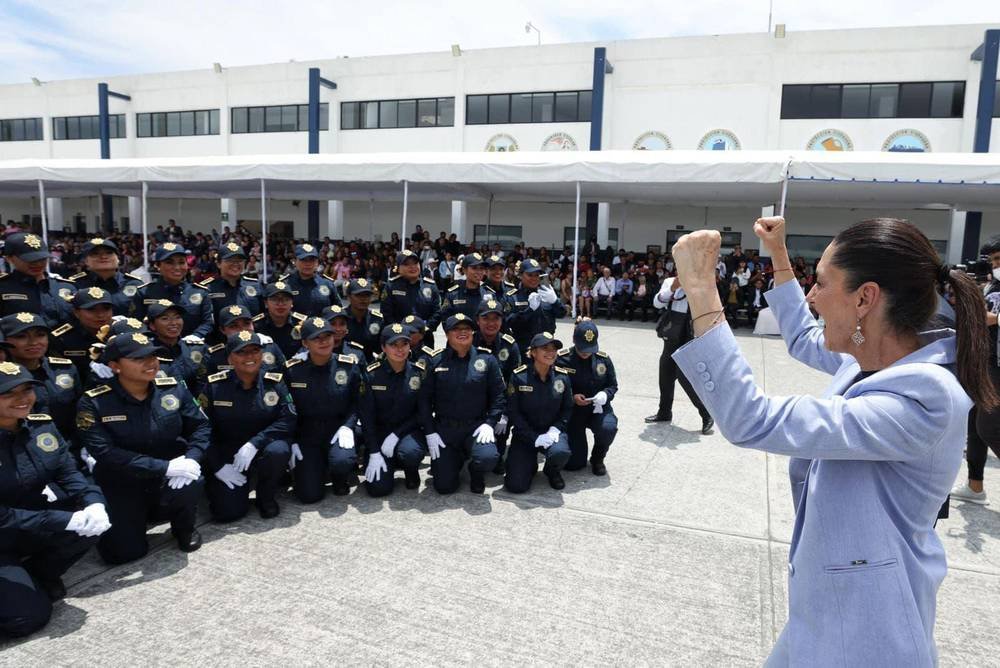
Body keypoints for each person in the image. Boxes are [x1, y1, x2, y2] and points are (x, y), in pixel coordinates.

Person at [669, 216, 995, 666]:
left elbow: (750, 418)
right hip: (827, 611)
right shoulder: (875, 357)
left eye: (821, 283)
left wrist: (702, 292)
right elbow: (804, 337)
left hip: (870, 633)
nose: (811, 296)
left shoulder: (924, 396)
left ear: (865, 298)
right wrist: (778, 254)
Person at [76, 331, 211, 563]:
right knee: (124, 554)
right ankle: (137, 517)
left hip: (169, 471)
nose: (150, 363)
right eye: (139, 359)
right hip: (122, 480)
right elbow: (105, 453)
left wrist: (192, 458)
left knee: (191, 478)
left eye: (153, 356)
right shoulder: (93, 401)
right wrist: (163, 467)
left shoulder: (173, 388)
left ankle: (184, 526)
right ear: (115, 366)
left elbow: (200, 426)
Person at [0, 362, 110, 637]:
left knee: (92, 524)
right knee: (27, 619)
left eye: (27, 390)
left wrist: (94, 502)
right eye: (8, 393)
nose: (23, 399)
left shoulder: (41, 426)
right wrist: (63, 519)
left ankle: (39, 574)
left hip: (32, 521)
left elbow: (69, 472)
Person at [200, 332, 295, 521]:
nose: (250, 357)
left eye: (255, 351)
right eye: (242, 353)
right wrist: (217, 465)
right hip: (228, 452)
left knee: (279, 451)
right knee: (227, 513)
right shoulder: (215, 386)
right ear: (230, 358)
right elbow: (201, 428)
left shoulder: (274, 382)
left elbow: (288, 418)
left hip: (262, 446)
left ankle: (265, 496)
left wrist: (255, 443)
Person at [418, 313, 504, 494]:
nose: (462, 332)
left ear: (473, 332)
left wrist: (490, 423)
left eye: (466, 329)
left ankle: (476, 470)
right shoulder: (434, 361)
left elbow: (498, 396)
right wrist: (430, 432)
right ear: (447, 334)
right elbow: (424, 401)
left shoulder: (487, 360)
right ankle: (455, 459)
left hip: (476, 426)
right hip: (445, 430)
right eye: (456, 329)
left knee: (488, 457)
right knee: (444, 487)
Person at [284, 316, 365, 501]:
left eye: (327, 336)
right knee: (308, 495)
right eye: (316, 338)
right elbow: (286, 409)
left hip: (337, 429)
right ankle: (315, 469)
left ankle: (339, 476)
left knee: (342, 461)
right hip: (307, 434)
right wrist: (292, 439)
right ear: (305, 343)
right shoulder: (292, 370)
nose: (324, 341)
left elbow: (357, 401)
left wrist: (348, 426)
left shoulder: (348, 366)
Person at [951, 234, 1000, 505]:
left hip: (998, 366)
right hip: (984, 360)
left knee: (989, 427)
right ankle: (975, 486)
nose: (995, 265)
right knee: (974, 425)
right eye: (993, 260)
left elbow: (989, 318)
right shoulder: (992, 286)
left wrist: (995, 318)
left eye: (999, 259)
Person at [0, 312, 82, 460]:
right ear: (5, 340)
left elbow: (79, 413)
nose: (33, 342)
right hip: (17, 455)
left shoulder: (65, 369)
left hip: (70, 451)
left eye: (40, 335)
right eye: (21, 336)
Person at [359, 324, 427, 495]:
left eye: (404, 344)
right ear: (383, 347)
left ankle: (410, 469)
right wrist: (373, 451)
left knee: (410, 453)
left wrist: (397, 434)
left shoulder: (418, 373)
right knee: (377, 490)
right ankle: (385, 461)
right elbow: (366, 416)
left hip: (408, 431)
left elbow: (422, 412)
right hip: (379, 433)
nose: (400, 349)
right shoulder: (371, 374)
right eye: (393, 345)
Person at [504, 332, 573, 492]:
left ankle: (552, 471)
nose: (551, 353)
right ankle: (529, 464)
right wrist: (533, 437)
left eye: (554, 349)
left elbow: (567, 408)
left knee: (561, 452)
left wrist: (556, 429)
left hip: (551, 432)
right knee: (516, 486)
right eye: (545, 348)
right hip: (525, 434)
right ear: (533, 352)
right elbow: (513, 412)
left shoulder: (562, 378)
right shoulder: (519, 377)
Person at [645, 276, 714, 435]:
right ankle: (664, 412)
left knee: (684, 377)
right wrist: (673, 288)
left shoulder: (701, 281)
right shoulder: (671, 281)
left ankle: (706, 414)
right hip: (672, 332)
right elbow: (657, 302)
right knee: (665, 374)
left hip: (691, 333)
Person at [558, 320, 619, 475]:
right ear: (574, 340)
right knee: (574, 465)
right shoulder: (562, 359)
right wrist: (571, 397)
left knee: (608, 428)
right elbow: (554, 388)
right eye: (582, 348)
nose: (585, 352)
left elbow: (612, 385)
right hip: (574, 413)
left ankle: (598, 458)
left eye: (589, 348)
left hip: (597, 409)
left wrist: (605, 395)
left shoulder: (603, 359)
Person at [474, 298, 520, 474]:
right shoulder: (467, 341)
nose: (491, 323)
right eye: (486, 318)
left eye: (496, 318)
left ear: (502, 321)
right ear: (478, 320)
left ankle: (498, 453)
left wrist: (506, 414)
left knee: (500, 430)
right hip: (473, 402)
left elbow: (514, 384)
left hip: (500, 403)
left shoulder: (510, 346)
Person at [131, 243, 214, 339]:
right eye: (170, 262)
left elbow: (208, 323)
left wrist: (195, 337)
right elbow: (136, 324)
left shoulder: (200, 292)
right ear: (157, 265)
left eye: (181, 262)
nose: (177, 267)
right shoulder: (144, 293)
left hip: (191, 348)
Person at [0, 232, 76, 329]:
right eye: (30, 260)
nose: (38, 264)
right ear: (9, 258)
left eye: (42, 258)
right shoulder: (3, 288)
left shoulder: (66, 287)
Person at [196, 241, 264, 338]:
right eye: (230, 260)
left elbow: (262, 316)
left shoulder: (255, 286)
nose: (235, 264)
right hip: (219, 346)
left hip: (252, 345)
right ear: (218, 263)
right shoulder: (206, 289)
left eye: (239, 260)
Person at [49, 287, 115, 381]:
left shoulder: (121, 332)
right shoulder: (62, 339)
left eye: (106, 309)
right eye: (92, 310)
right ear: (76, 313)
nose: (100, 315)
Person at [380, 249, 443, 349]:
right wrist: (400, 332)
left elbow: (437, 312)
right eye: (407, 264)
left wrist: (424, 330)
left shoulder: (430, 286)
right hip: (398, 340)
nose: (413, 267)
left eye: (415, 263)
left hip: (424, 339)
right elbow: (386, 313)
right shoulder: (391, 286)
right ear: (398, 268)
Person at [67, 237, 144, 317]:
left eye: (109, 253)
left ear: (118, 259)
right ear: (86, 261)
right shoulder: (75, 285)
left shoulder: (135, 284)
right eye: (95, 254)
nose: (103, 257)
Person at [204, 305, 286, 377]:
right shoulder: (214, 356)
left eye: (246, 323)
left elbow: (284, 376)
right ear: (222, 330)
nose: (242, 329)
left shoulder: (269, 347)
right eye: (234, 326)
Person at [507, 258, 564, 361]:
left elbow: (561, 314)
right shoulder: (513, 297)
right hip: (524, 349)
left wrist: (555, 301)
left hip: (547, 349)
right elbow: (509, 322)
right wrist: (529, 310)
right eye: (530, 275)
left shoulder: (546, 293)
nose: (534, 278)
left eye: (537, 275)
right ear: (520, 275)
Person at [144, 300, 207, 391]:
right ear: (152, 325)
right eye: (165, 319)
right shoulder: (146, 353)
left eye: (177, 317)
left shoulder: (197, 348)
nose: (174, 323)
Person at [280, 243, 341, 317]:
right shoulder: (286, 284)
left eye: (312, 260)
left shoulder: (327, 284)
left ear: (317, 262)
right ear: (295, 261)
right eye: (303, 260)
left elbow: (338, 310)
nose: (308, 264)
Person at [254, 281, 307, 359]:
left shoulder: (303, 323)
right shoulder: (256, 325)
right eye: (275, 299)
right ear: (266, 303)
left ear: (292, 302)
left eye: (286, 299)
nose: (281, 304)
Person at [440, 252, 494, 324]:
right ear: (464, 270)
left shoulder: (489, 293)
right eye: (474, 268)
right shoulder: (453, 294)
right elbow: (445, 319)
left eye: (481, 268)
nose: (479, 272)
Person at [344, 278, 384, 360]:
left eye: (367, 295)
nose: (363, 299)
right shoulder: (340, 318)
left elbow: (382, 348)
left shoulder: (377, 319)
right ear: (348, 297)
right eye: (358, 295)